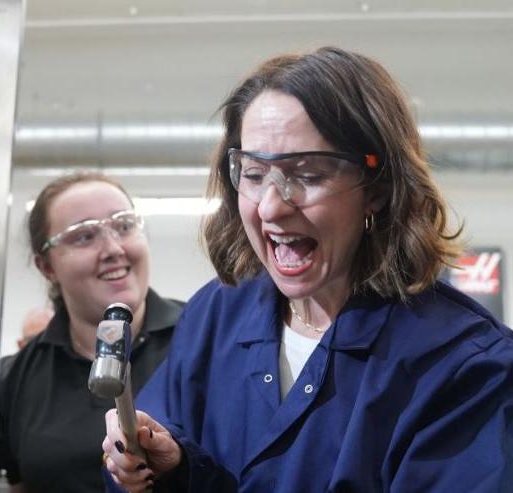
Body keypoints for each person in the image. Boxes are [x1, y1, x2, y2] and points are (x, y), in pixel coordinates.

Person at [103, 46, 513, 492]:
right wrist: (169, 469)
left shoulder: (462, 364)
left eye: (310, 174)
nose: (272, 208)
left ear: (377, 189)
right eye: (255, 174)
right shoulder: (216, 316)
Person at [0, 172, 184, 492]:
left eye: (124, 226)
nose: (113, 248)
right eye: (84, 236)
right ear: (47, 267)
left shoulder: (205, 338)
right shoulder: (16, 377)